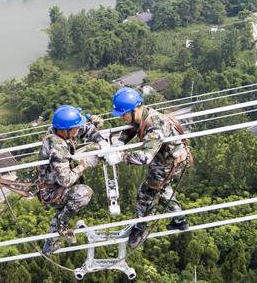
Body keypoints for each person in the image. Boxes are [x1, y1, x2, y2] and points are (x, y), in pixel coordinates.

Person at [109, 87, 192, 249]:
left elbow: (145, 157)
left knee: (147, 193)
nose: (123, 118)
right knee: (162, 190)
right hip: (166, 159)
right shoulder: (143, 115)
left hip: (168, 163)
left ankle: (141, 228)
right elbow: (133, 127)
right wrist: (120, 142)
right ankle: (180, 220)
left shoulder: (155, 125)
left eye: (124, 114)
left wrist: (120, 156)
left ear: (134, 110)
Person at [37, 104, 104, 254]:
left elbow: (83, 129)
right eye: (75, 128)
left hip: (55, 184)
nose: (77, 130)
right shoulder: (57, 148)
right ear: (65, 130)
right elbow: (66, 180)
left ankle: (50, 243)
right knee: (83, 193)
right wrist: (84, 164)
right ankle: (61, 223)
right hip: (53, 191)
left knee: (63, 209)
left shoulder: (58, 130)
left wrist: (100, 139)